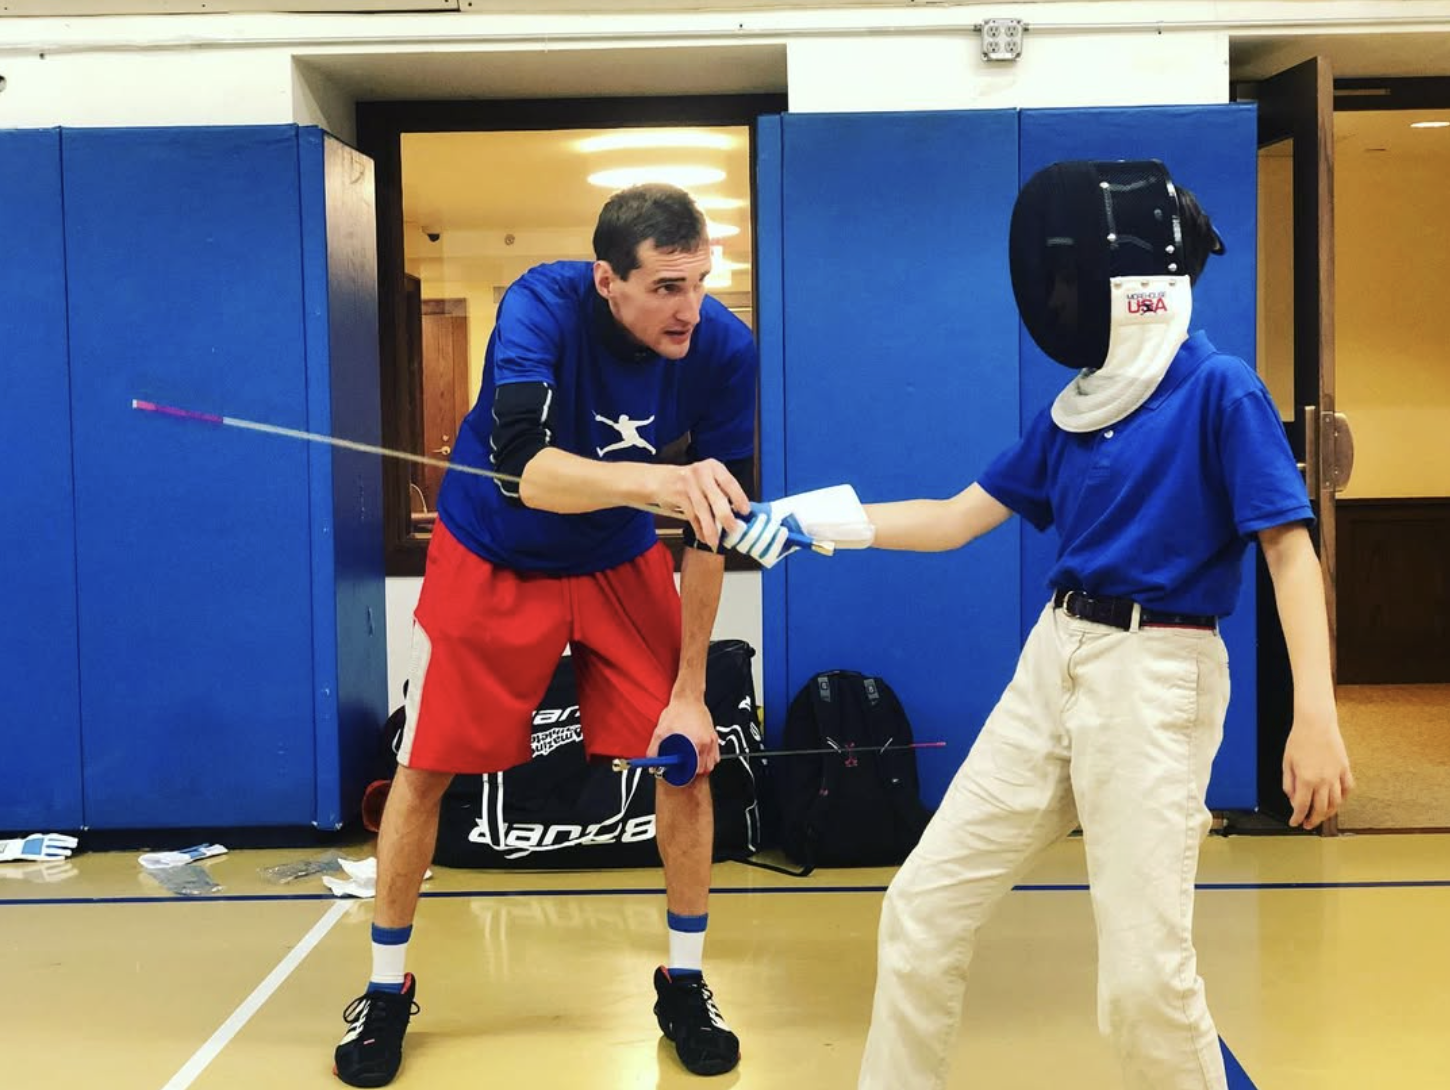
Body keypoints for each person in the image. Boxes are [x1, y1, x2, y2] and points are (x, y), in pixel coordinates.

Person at [832, 161, 1353, 1090]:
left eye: (1075, 279)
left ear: (1135, 282)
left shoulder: (1221, 389)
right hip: (1057, 660)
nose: (1061, 298)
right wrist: (816, 523)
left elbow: (1288, 551)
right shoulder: (1079, 410)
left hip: (1159, 675)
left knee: (1144, 988)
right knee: (921, 907)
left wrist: (1314, 714)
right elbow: (957, 517)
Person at [333, 184, 755, 1087]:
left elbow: (710, 530)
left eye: (702, 282)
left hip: (616, 559)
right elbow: (526, 473)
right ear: (608, 279)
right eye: (668, 287)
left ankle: (683, 981)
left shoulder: (722, 350)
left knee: (687, 759)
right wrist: (656, 484)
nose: (692, 308)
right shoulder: (540, 304)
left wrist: (690, 694)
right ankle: (385, 988)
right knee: (426, 769)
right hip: (496, 548)